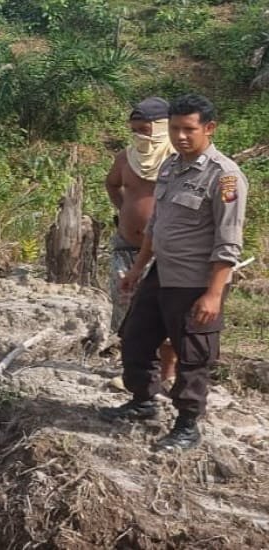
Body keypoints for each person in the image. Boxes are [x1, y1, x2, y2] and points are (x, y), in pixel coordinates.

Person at [101, 94, 248, 451]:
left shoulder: (225, 176)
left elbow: (229, 242)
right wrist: (138, 269)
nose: (180, 136)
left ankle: (186, 425)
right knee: (135, 337)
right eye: (174, 129)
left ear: (209, 129)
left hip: (195, 281)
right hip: (160, 272)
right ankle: (143, 401)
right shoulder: (170, 167)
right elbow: (156, 226)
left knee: (192, 355)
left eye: (188, 129)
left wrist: (213, 294)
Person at [105, 97, 177, 389]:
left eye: (145, 130)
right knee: (128, 310)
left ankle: (168, 374)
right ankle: (134, 371)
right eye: (134, 130)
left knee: (165, 310)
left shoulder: (178, 160)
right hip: (126, 247)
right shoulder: (126, 158)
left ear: (161, 127)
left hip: (164, 251)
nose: (139, 136)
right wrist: (125, 209)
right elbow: (112, 183)